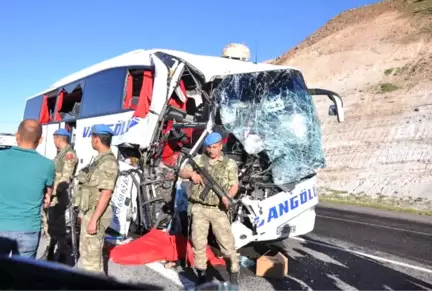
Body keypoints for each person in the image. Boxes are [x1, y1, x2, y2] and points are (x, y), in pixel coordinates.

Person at [179, 132, 240, 285]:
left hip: (218, 210)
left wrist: (228, 197)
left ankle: (233, 274)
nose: (211, 150)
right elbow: (182, 172)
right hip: (199, 208)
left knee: (226, 246)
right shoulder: (199, 160)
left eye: (215, 147)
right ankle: (201, 276)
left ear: (221, 146)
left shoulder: (229, 164)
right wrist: (192, 174)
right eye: (209, 147)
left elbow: (234, 185)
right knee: (198, 244)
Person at [0, 119, 55, 258]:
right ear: (41, 140)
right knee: (22, 276)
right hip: (28, 229)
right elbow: (48, 195)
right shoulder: (47, 165)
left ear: (16, 136)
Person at [74, 124, 119, 274]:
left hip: (96, 214)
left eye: (92, 138)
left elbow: (106, 193)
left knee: (91, 260)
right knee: (87, 254)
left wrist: (93, 219)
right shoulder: (99, 160)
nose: (91, 141)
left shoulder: (108, 163)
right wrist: (83, 214)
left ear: (97, 139)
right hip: (90, 212)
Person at [42, 128, 78, 262]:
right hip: (53, 195)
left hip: (58, 195)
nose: (53, 142)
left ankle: (63, 254)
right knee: (49, 223)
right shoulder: (60, 154)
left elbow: (65, 178)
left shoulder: (69, 155)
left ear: (58, 139)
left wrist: (52, 193)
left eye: (54, 139)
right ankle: (50, 251)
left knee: (58, 225)